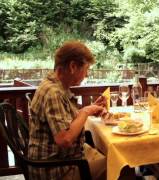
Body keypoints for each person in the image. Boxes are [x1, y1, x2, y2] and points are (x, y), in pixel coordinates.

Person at [28, 40, 107, 180]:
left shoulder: (54, 85)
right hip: (54, 170)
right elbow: (64, 140)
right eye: (86, 69)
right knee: (119, 165)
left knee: (108, 153)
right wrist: (85, 112)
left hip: (58, 160)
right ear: (72, 66)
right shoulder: (53, 93)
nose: (87, 75)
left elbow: (65, 120)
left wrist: (89, 108)